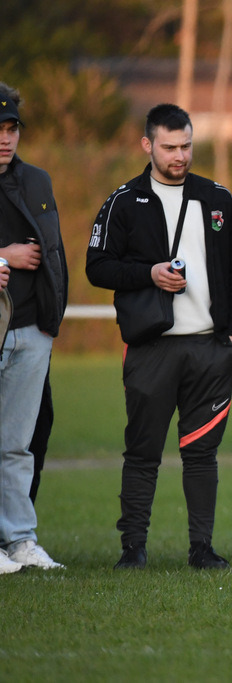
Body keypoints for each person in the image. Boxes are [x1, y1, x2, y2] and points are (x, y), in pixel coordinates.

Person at [86, 103, 232, 570]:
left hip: (209, 348)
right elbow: (96, 266)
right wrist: (149, 273)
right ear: (148, 145)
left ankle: (202, 548)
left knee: (202, 453)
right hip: (151, 348)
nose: (179, 156)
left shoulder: (216, 198)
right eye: (169, 147)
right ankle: (132, 549)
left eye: (186, 146)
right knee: (143, 452)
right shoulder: (125, 200)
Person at [0, 83, 68, 572]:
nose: (5, 139)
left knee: (18, 445)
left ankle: (19, 540)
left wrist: (49, 324)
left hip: (31, 332)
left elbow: (55, 253)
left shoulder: (37, 181)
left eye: (11, 129)